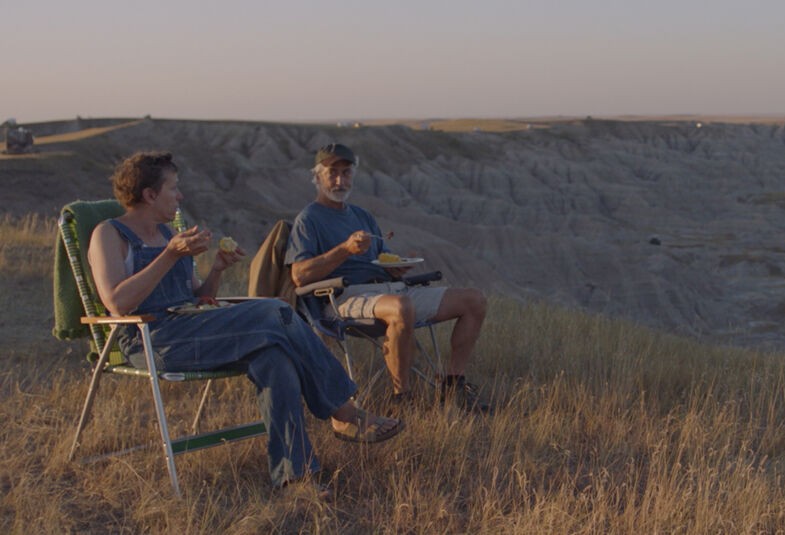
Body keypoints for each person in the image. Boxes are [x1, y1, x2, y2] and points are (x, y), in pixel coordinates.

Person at [87, 151, 403, 494]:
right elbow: (117, 303)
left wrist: (218, 269)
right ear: (149, 195)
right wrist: (170, 255)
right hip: (153, 339)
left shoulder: (166, 234)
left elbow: (198, 297)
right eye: (174, 189)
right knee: (274, 310)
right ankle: (343, 411)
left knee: (275, 359)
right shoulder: (110, 235)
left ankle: (294, 477)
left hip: (193, 329)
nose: (180, 196)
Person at [286, 143, 490, 413]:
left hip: (389, 289)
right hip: (342, 298)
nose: (339, 180)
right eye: (332, 173)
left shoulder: (362, 216)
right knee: (401, 306)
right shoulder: (308, 219)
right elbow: (299, 276)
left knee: (474, 300)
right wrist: (344, 250)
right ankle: (401, 399)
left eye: (346, 173)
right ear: (318, 176)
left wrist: (396, 267)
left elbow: (383, 258)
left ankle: (453, 386)